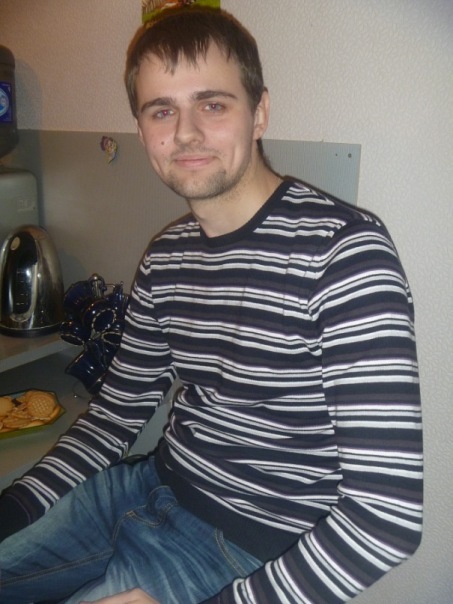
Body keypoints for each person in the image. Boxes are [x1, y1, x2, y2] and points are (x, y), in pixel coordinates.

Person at [0, 6, 423, 604]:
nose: (186, 132)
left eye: (213, 104)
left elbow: (387, 519)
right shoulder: (166, 256)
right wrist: (14, 509)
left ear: (260, 113)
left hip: (245, 550)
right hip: (144, 488)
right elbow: (116, 413)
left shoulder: (343, 254)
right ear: (143, 131)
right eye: (161, 110)